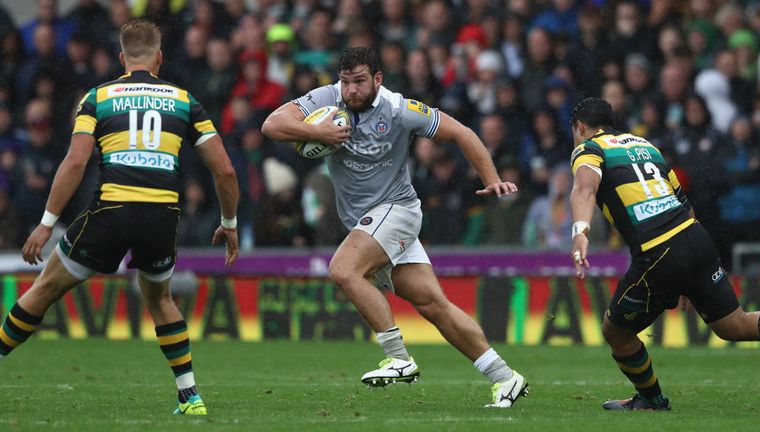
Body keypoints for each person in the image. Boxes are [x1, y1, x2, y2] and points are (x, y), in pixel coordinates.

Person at [262, 47, 527, 408]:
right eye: (345, 82)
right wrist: (316, 130)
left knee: (343, 270)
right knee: (434, 304)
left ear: (377, 79)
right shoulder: (327, 99)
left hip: (397, 211)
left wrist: (492, 178)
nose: (350, 90)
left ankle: (398, 357)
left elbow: (462, 133)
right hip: (368, 223)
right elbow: (271, 125)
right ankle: (505, 377)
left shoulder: (400, 109)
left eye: (358, 82)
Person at [0, 20, 239, 416]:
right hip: (162, 216)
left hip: (111, 210)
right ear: (160, 57)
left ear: (121, 58)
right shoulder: (185, 101)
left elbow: (76, 160)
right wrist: (229, 223)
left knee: (44, 289)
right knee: (160, 299)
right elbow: (226, 171)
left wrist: (46, 221)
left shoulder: (98, 97)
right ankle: (190, 395)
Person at [568, 97, 760, 411]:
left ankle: (651, 400)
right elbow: (682, 200)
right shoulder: (647, 146)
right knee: (735, 325)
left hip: (659, 249)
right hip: (695, 237)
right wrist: (689, 277)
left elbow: (584, 189)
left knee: (615, 332)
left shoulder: (588, 149)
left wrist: (580, 230)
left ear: (580, 127)